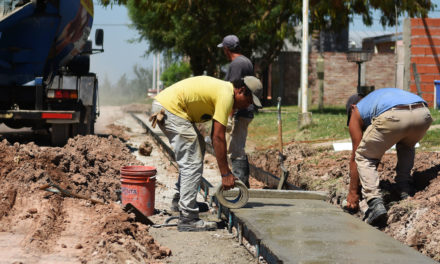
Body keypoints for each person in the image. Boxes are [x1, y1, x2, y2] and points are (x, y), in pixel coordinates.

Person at [150, 75, 263, 232]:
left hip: (170, 106)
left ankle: (180, 201)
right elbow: (217, 137)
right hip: (171, 108)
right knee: (192, 159)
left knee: (199, 146)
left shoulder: (224, 91)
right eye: (249, 101)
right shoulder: (226, 96)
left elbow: (214, 135)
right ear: (241, 91)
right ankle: (188, 217)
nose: (247, 106)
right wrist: (225, 174)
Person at [345, 88, 432, 227]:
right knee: (407, 146)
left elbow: (356, 155)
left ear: (352, 107)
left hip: (394, 115)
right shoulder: (377, 99)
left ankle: (374, 203)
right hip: (423, 113)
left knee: (362, 156)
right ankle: (404, 188)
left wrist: (353, 193)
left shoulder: (356, 110)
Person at [218, 34, 255, 188]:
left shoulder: (235, 65)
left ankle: (240, 185)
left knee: (236, 148)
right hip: (246, 109)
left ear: (227, 49)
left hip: (239, 110)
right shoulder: (246, 61)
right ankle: (242, 183)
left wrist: (228, 117)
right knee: (237, 147)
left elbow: (232, 92)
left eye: (223, 49)